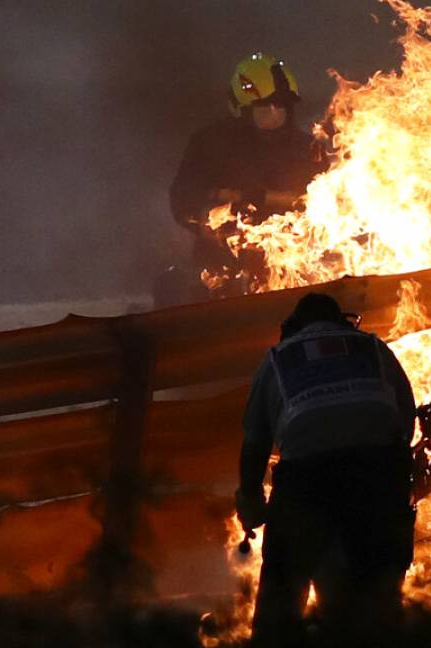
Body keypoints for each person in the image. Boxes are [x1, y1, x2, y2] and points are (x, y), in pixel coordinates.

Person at [236, 293, 417, 647]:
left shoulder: (277, 358)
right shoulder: (373, 348)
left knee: (284, 589)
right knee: (376, 598)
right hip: (378, 476)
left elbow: (256, 441)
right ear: (343, 322)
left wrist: (250, 497)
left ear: (293, 327)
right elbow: (404, 421)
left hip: (306, 479)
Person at [168, 53, 324, 300]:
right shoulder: (210, 145)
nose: (274, 118)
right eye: (264, 111)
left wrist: (275, 201)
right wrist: (215, 215)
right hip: (222, 271)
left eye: (280, 110)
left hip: (294, 268)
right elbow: (182, 200)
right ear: (241, 111)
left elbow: (327, 205)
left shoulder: (307, 149)